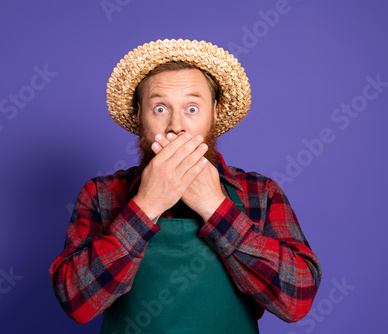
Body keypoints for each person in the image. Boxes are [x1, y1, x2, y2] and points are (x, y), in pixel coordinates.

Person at [49, 39, 322, 333]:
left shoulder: (260, 193)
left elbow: (297, 300)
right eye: (160, 109)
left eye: (192, 108)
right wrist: (145, 205)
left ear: (215, 112)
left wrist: (215, 207)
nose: (176, 126)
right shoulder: (101, 194)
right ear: (140, 115)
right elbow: (76, 301)